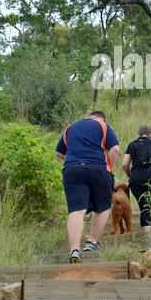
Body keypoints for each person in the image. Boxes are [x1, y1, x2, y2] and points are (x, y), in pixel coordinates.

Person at [56, 110, 120, 263]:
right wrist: (109, 167)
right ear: (101, 118)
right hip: (98, 168)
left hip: (72, 170)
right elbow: (115, 149)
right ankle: (91, 242)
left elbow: (59, 153)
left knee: (76, 210)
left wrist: (74, 158)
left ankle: (75, 250)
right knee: (103, 206)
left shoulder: (70, 128)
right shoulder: (103, 125)